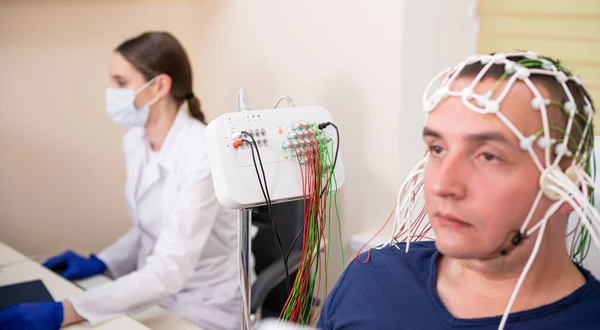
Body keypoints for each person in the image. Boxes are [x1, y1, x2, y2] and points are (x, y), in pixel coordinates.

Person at [317, 51, 600, 329]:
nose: (443, 186)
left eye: (489, 156)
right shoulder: (372, 279)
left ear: (567, 188)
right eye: (438, 149)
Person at [0, 31, 242, 330]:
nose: (111, 91)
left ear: (160, 86)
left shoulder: (202, 154)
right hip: (153, 293)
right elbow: (148, 229)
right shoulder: (135, 142)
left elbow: (169, 270)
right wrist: (103, 261)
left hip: (204, 307)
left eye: (121, 82)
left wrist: (65, 311)